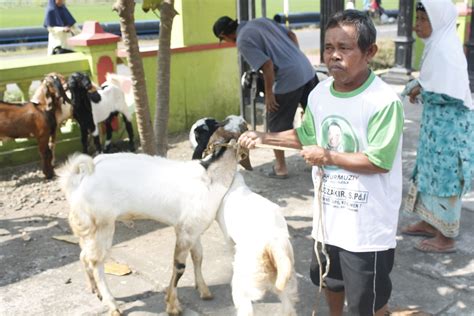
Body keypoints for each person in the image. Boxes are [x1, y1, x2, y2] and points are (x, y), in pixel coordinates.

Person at [238, 10, 404, 316]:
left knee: (368, 301)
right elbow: (307, 135)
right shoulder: (319, 94)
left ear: (370, 52)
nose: (334, 56)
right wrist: (264, 136)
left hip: (366, 230)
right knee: (331, 282)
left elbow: (379, 161)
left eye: (345, 48)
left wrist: (327, 156)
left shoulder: (384, 102)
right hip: (329, 222)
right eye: (328, 48)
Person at [401, 0, 473, 253]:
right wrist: (419, 86)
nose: (416, 25)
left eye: (423, 20)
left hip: (450, 131)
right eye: (417, 19)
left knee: (445, 177)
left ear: (439, 21)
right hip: (437, 127)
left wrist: (419, 88)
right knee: (429, 172)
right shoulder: (437, 46)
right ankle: (430, 221)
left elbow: (448, 93)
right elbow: (432, 80)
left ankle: (446, 236)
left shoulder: (446, 50)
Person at [212, 16, 319, 179]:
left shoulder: (243, 40)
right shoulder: (259, 21)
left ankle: (281, 168)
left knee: (276, 124)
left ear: (224, 35)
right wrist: (294, 57)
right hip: (307, 69)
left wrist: (269, 95)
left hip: (288, 77)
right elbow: (291, 35)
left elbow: (267, 66)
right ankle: (321, 160)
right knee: (316, 119)